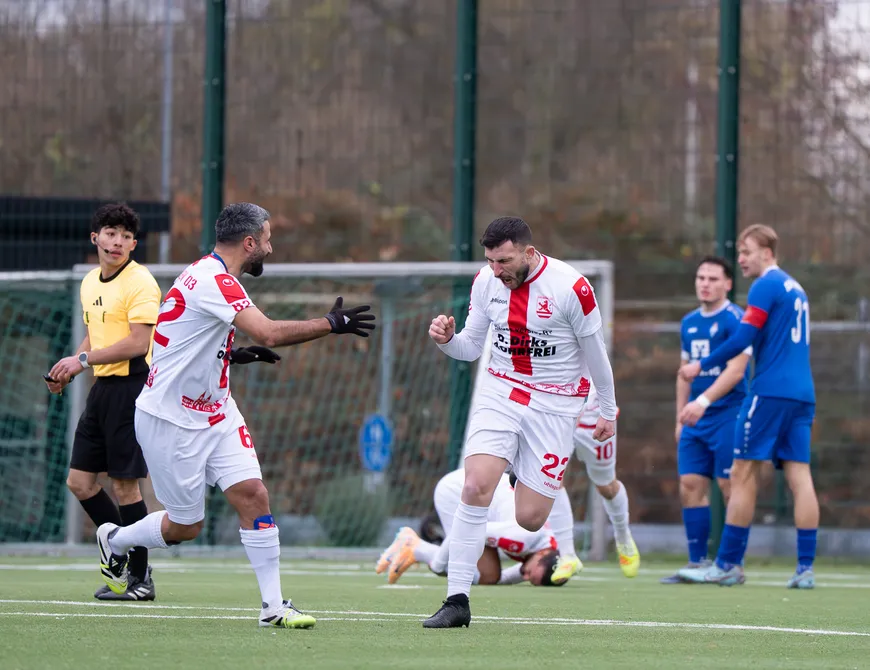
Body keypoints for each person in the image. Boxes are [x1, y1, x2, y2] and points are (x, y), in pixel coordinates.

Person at [92, 202, 376, 628]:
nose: (270, 247)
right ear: (249, 243)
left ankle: (273, 608)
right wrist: (330, 323)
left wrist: (232, 354)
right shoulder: (214, 280)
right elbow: (270, 332)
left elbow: (184, 336)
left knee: (253, 495)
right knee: (186, 526)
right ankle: (115, 539)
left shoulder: (210, 274)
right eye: (266, 239)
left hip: (218, 411)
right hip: (170, 420)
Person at [424, 216, 617, 628]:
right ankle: (456, 600)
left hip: (556, 405)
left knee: (530, 517)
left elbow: (596, 354)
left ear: (529, 252)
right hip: (502, 391)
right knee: (475, 484)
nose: (497, 270)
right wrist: (445, 342)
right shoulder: (485, 282)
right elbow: (470, 348)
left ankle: (516, 469)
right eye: (491, 261)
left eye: (505, 260)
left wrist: (607, 409)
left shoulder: (572, 287)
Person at [677, 225, 819, 589]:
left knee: (741, 473)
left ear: (767, 253)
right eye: (739, 252)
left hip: (770, 391)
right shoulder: (795, 287)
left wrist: (699, 364)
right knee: (799, 476)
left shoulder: (766, 285)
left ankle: (727, 564)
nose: (740, 259)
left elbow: (743, 338)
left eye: (746, 252)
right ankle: (805, 569)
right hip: (803, 393)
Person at [46, 203, 161, 601]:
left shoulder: (140, 282)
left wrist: (81, 360)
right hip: (102, 391)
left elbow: (136, 342)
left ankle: (141, 579)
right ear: (95, 237)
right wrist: (71, 369)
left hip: (132, 388)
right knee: (79, 482)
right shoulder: (90, 282)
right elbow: (96, 337)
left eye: (127, 236)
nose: (118, 242)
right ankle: (119, 549)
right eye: (111, 232)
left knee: (127, 488)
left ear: (132, 244)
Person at [661, 256, 752, 584]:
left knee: (731, 486)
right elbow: (683, 373)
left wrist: (703, 402)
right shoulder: (689, 322)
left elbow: (736, 370)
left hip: (729, 413)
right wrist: (680, 417)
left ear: (728, 284)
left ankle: (731, 565)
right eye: (701, 277)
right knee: (690, 485)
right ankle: (697, 562)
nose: (705, 283)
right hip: (695, 418)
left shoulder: (736, 319)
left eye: (713, 278)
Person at [376, 468, 565, 587]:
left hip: (475, 494)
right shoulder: (523, 539)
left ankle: (418, 549)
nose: (525, 576)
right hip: (456, 491)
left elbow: (503, 579)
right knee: (473, 570)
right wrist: (438, 565)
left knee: (489, 575)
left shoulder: (547, 548)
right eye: (531, 575)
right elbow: (468, 530)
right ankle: (416, 546)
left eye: (531, 581)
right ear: (541, 555)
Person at [547, 384, 640, 584]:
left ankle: (623, 537)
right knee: (550, 477)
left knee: (605, 486)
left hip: (592, 414)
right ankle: (567, 555)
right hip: (556, 408)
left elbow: (599, 365)